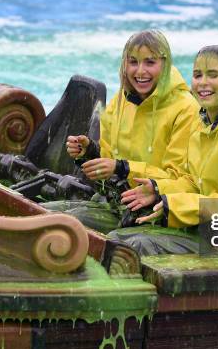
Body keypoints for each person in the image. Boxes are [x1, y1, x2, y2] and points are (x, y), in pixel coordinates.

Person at [115, 45, 218, 255]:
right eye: (197, 75)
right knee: (119, 236)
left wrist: (172, 205)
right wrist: (158, 190)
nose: (203, 83)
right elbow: (194, 182)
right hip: (205, 227)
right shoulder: (204, 125)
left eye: (213, 75)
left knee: (131, 247)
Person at [45, 29, 200, 233]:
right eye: (133, 62)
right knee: (41, 213)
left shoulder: (186, 109)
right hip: (113, 203)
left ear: (165, 64)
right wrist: (90, 152)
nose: (140, 71)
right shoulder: (121, 100)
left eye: (150, 62)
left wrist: (122, 167)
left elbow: (182, 179)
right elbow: (109, 161)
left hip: (151, 214)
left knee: (60, 226)